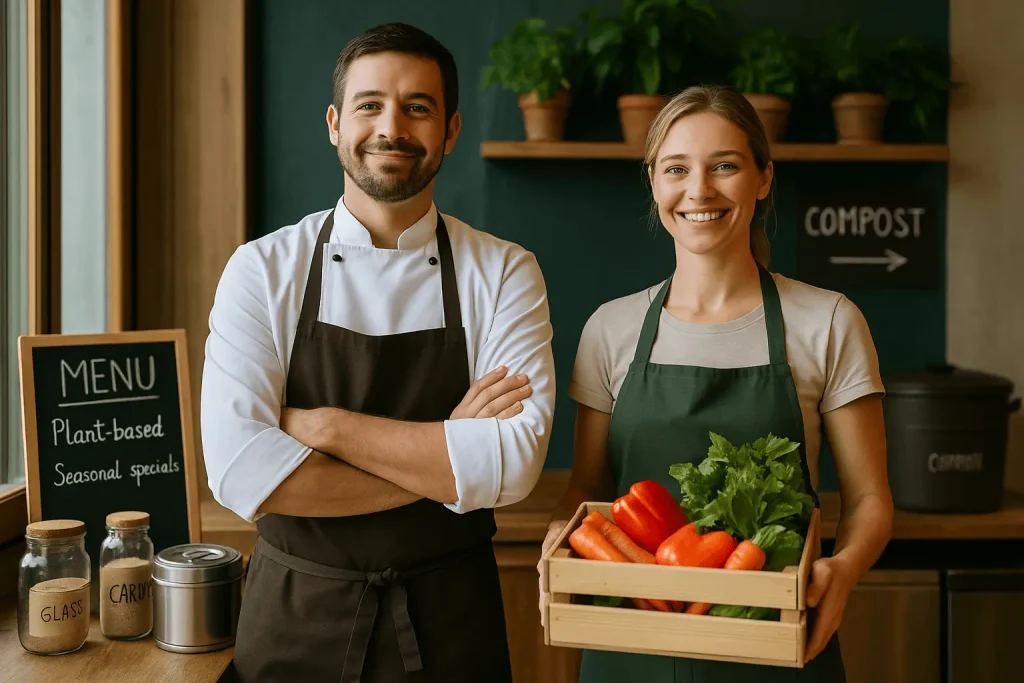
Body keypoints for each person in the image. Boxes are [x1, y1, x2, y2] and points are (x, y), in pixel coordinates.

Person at [201, 22, 555, 683]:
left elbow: (511, 465)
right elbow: (243, 471)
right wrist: (449, 456)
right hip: (292, 620)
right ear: (335, 123)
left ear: (449, 131)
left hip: (451, 624)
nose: (391, 127)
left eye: (417, 107)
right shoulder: (261, 269)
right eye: (370, 105)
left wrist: (325, 427)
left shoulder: (505, 272)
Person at [539, 85, 894, 683]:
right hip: (630, 639)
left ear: (763, 178)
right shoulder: (611, 328)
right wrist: (559, 534)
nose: (699, 190)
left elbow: (868, 501)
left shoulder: (828, 321)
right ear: (654, 183)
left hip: (777, 642)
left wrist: (846, 567)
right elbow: (588, 488)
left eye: (724, 166)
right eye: (677, 169)